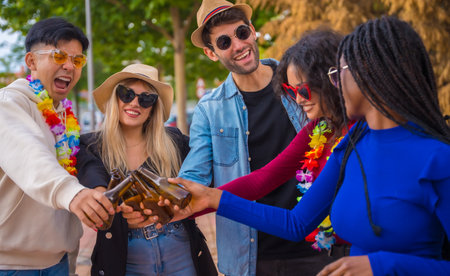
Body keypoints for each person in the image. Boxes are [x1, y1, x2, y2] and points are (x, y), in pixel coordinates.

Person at [170, 16, 450, 275]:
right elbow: (292, 217)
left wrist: (381, 266)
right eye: (291, 92)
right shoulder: (349, 145)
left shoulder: (437, 158)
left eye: (302, 89)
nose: (298, 99)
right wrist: (205, 199)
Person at [179, 0, 336, 276]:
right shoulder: (210, 109)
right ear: (211, 53)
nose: (239, 45)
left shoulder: (296, 83)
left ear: (252, 29)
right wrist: (170, 202)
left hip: (318, 246)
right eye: (224, 42)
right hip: (250, 256)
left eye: (241, 33)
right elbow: (200, 179)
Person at [76, 64, 217, 276]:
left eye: (146, 98)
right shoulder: (91, 145)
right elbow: (94, 180)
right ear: (115, 98)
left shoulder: (174, 141)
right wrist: (102, 199)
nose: (135, 103)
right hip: (125, 255)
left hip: (179, 246)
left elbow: (209, 169)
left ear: (153, 107)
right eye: (127, 94)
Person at [0, 17, 114, 275]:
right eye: (59, 56)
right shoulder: (8, 103)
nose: (69, 67)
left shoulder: (64, 115)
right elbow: (31, 157)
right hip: (10, 265)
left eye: (77, 60)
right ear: (31, 61)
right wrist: (74, 194)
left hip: (59, 262)